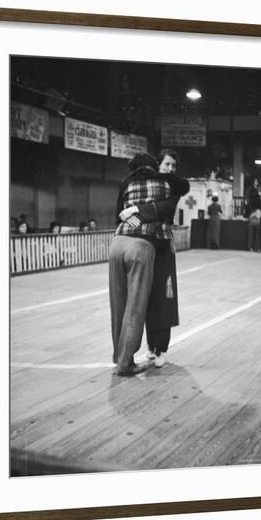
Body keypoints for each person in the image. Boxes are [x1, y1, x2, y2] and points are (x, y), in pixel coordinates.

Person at [117, 148, 189, 368]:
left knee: (165, 297)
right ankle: (150, 347)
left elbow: (167, 207)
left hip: (164, 246)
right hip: (146, 246)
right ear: (157, 164)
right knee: (145, 298)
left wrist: (136, 209)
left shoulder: (169, 188)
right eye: (167, 164)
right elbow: (120, 215)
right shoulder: (144, 185)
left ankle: (161, 348)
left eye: (173, 166)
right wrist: (134, 222)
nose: (170, 169)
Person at [109, 152, 175, 376]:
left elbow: (118, 215)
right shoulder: (165, 185)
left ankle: (118, 356)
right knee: (135, 308)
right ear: (154, 166)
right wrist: (146, 216)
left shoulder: (125, 184)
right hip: (141, 246)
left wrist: (134, 214)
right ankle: (126, 364)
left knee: (118, 304)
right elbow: (167, 212)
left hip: (118, 243)